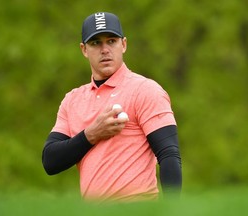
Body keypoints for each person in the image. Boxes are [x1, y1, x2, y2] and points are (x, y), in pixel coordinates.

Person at [42, 12, 182, 202]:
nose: (105, 49)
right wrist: (91, 134)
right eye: (95, 43)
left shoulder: (145, 90)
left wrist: (172, 210)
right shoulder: (72, 100)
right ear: (84, 49)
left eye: (111, 41)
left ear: (123, 44)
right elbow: (50, 161)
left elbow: (169, 153)